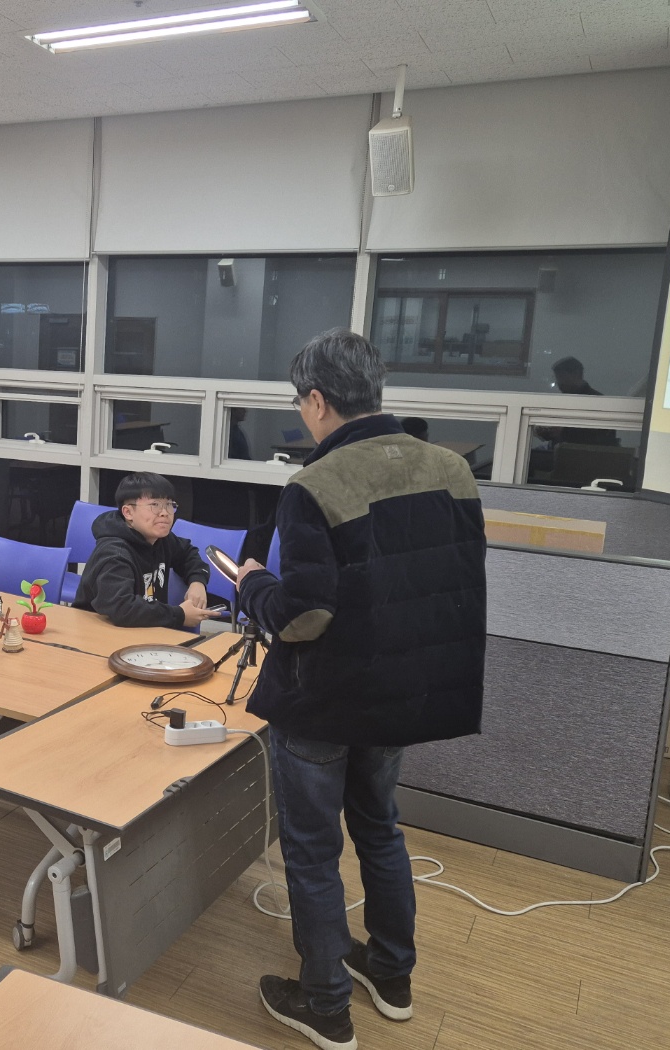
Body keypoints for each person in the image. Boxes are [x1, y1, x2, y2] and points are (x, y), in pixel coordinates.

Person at [235, 329, 487, 1050]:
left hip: (324, 702)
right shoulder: (452, 469)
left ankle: (326, 1007)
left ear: (317, 400)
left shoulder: (315, 483)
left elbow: (305, 616)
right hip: (404, 694)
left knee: (313, 851)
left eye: (300, 403)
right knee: (380, 828)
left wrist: (254, 585)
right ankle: (392, 975)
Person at [72, 472, 222, 630]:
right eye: (155, 505)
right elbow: (123, 609)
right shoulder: (114, 554)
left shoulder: (161, 539)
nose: (164, 512)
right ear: (128, 512)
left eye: (169, 504)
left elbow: (188, 554)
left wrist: (197, 582)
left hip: (143, 630)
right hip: (99, 632)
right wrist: (179, 615)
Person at [549, 357, 617, 445]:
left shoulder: (599, 403)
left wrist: (563, 431)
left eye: (561, 377)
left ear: (576, 374)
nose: (559, 383)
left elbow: (600, 437)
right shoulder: (564, 402)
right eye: (557, 378)